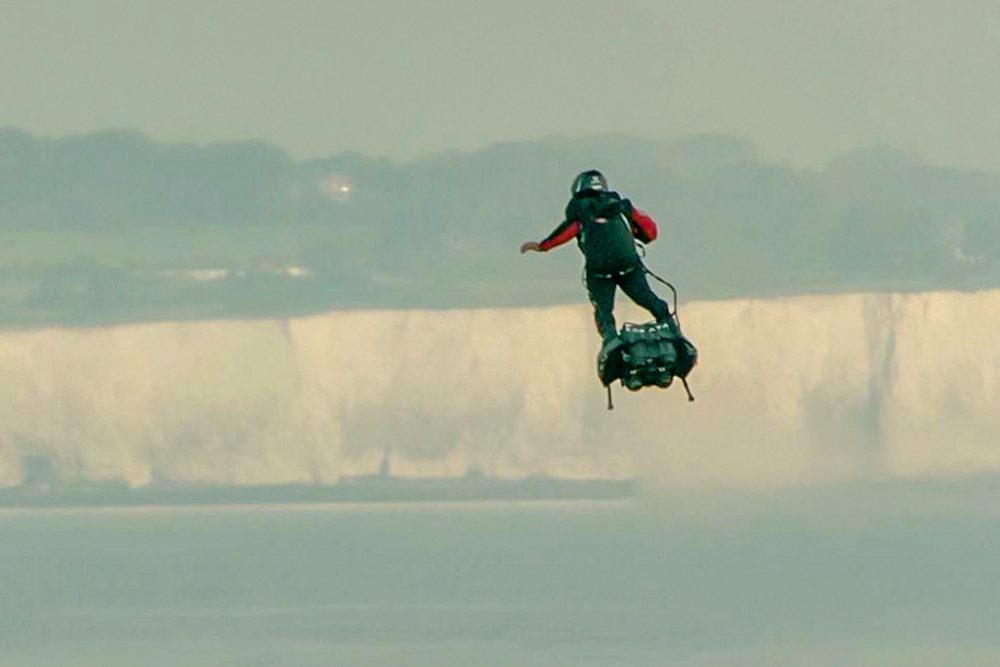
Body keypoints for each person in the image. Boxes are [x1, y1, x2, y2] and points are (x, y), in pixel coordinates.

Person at [520, 169, 677, 348]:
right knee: (647, 298)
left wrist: (542, 246)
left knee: (604, 310)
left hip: (600, 271)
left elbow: (568, 231)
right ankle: (671, 329)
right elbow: (650, 231)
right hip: (629, 265)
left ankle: (611, 340)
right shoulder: (620, 204)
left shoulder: (580, 208)